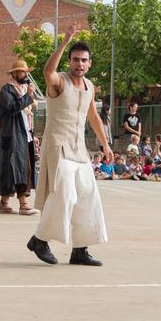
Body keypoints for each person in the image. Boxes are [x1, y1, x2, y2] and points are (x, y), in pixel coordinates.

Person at [27, 31, 112, 267]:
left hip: (79, 149)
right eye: (76, 59)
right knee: (64, 194)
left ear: (89, 63)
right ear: (70, 61)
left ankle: (80, 250)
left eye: (84, 60)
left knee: (88, 196)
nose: (80, 64)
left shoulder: (90, 87)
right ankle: (39, 240)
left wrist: (105, 143)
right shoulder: (59, 81)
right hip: (58, 146)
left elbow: (93, 116)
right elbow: (47, 72)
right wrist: (64, 42)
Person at [0, 60, 38, 214]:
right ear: (15, 73)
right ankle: (23, 204)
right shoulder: (7, 89)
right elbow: (12, 108)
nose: (26, 75)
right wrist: (28, 96)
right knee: (19, 168)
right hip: (12, 135)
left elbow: (25, 109)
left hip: (24, 134)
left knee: (14, 169)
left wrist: (29, 98)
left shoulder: (22, 89)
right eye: (23, 72)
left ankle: (4, 203)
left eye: (26, 72)